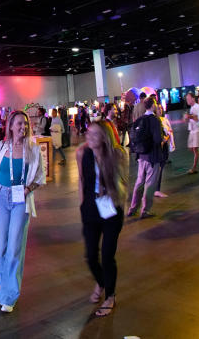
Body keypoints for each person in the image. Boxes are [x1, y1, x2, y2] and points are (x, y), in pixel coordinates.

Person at [0, 110, 45, 313]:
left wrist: (28, 189)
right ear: (11, 126)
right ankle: (3, 277)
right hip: (2, 197)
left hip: (21, 200)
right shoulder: (2, 146)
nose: (24, 127)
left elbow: (40, 177)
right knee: (1, 243)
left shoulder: (33, 149)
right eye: (20, 124)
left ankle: (9, 295)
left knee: (14, 246)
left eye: (26, 124)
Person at [78, 121, 128, 318]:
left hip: (111, 210)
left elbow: (123, 182)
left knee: (107, 255)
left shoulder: (116, 155)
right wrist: (82, 205)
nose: (89, 137)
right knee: (90, 256)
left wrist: (117, 199)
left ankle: (110, 295)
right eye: (88, 133)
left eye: (95, 134)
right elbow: (82, 181)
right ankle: (100, 281)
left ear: (104, 137)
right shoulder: (84, 154)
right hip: (91, 209)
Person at [126, 97, 164, 218]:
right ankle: (145, 210)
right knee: (150, 184)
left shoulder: (140, 119)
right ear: (152, 105)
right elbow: (158, 139)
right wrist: (163, 139)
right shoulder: (155, 120)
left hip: (141, 155)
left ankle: (133, 208)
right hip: (153, 156)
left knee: (139, 182)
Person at [185, 92, 199, 174]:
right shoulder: (192, 108)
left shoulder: (198, 107)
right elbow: (190, 120)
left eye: (189, 99)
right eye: (186, 99)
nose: (187, 100)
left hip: (197, 130)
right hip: (192, 130)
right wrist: (187, 118)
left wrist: (191, 117)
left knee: (195, 149)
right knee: (191, 148)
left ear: (193, 98)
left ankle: (194, 168)